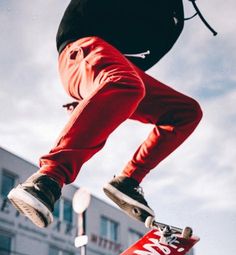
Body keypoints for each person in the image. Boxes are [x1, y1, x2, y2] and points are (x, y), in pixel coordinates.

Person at [8, 0, 202, 228]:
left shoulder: (172, 18)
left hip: (114, 68)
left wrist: (94, 92)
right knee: (126, 83)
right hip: (80, 50)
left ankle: (127, 182)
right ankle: (47, 179)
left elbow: (140, 57)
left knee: (186, 112)